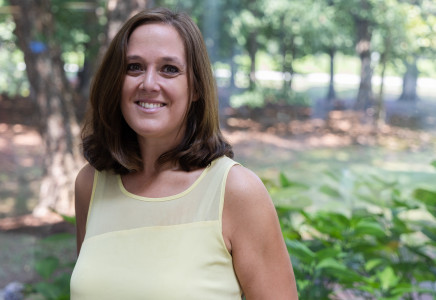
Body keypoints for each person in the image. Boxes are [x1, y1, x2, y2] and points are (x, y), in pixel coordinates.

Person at [70, 7, 298, 300]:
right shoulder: (91, 184)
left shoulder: (237, 191)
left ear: (196, 89)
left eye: (169, 69)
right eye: (134, 67)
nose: (149, 83)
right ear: (116, 81)